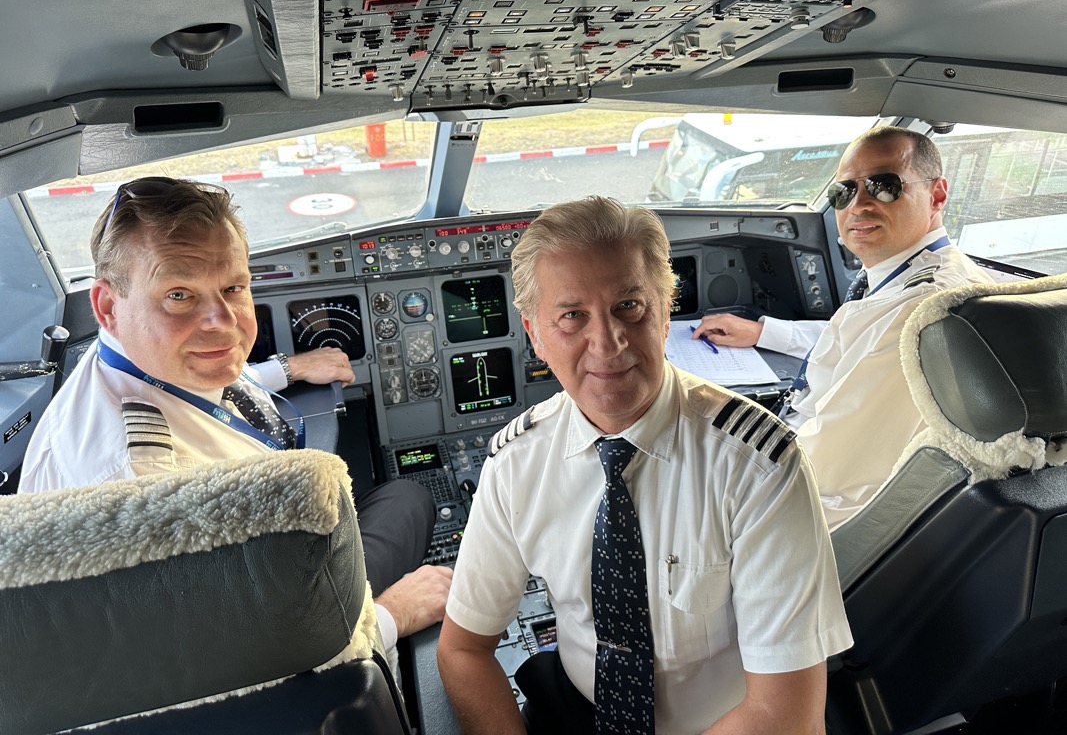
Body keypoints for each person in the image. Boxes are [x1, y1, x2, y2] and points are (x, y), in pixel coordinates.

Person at [437, 196, 851, 735]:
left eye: (629, 306)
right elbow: (464, 648)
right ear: (535, 333)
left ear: (666, 304)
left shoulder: (759, 467)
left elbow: (784, 719)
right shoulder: (515, 463)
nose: (607, 344)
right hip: (577, 707)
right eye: (571, 316)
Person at [18, 176, 452, 653]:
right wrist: (393, 615)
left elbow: (207, 386)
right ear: (107, 306)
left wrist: (285, 369)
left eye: (233, 287)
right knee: (410, 499)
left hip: (265, 555)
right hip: (282, 623)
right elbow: (239, 652)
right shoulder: (143, 483)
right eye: (179, 294)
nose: (223, 323)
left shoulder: (132, 360)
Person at [692, 126, 993, 528]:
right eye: (844, 192)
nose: (860, 205)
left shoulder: (919, 312)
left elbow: (820, 461)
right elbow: (859, 341)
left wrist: (699, 408)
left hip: (819, 512)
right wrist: (764, 333)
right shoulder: (916, 280)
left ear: (937, 194)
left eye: (883, 185)